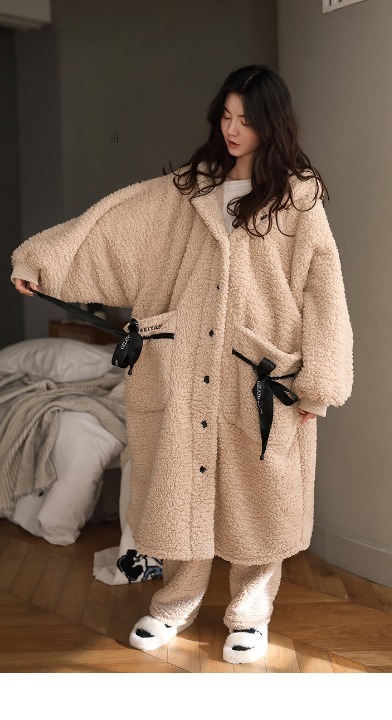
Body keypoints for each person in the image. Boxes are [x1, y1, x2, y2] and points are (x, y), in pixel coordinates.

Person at [11, 64, 353, 664]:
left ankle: (251, 614)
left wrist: (318, 385)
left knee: (259, 499)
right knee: (181, 490)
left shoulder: (298, 198)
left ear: (271, 123)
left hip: (259, 374)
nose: (232, 130)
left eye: (245, 120)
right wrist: (43, 263)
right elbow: (115, 227)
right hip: (186, 364)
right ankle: (175, 601)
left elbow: (323, 291)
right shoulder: (190, 190)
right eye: (225, 117)